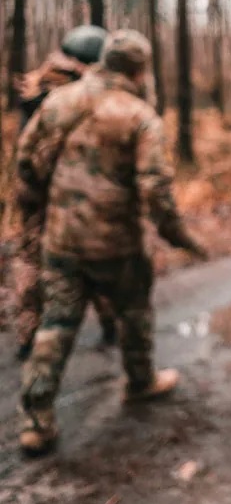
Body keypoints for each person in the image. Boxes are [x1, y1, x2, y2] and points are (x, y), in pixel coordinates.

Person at [18, 29, 204, 456]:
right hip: (117, 242)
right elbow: (155, 188)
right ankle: (140, 382)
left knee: (57, 325)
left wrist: (40, 213)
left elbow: (27, 162)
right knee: (134, 312)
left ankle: (36, 419)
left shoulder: (60, 100)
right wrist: (178, 236)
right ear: (139, 70)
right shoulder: (138, 115)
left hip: (62, 238)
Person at [13, 25, 117, 361]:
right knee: (93, 254)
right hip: (70, 187)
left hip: (31, 186)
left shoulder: (38, 82)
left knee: (31, 257)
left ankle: (27, 334)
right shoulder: (80, 92)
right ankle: (110, 322)